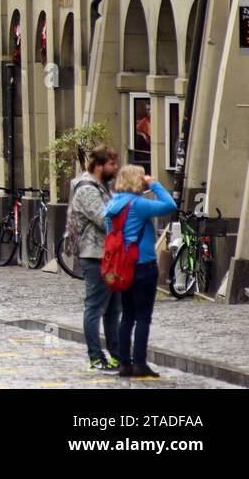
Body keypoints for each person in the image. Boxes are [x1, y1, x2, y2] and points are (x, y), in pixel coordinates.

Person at [104, 164, 175, 379]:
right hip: (143, 265)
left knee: (127, 315)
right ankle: (140, 363)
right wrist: (155, 184)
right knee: (143, 317)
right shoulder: (138, 204)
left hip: (121, 267)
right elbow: (170, 205)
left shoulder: (112, 205)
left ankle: (124, 363)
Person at [69, 145, 122, 373]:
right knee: (95, 307)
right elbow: (104, 219)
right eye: (112, 164)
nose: (116, 168)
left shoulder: (102, 187)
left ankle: (117, 356)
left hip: (110, 255)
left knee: (113, 309)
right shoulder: (87, 189)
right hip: (95, 255)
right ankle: (96, 357)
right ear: (99, 166)